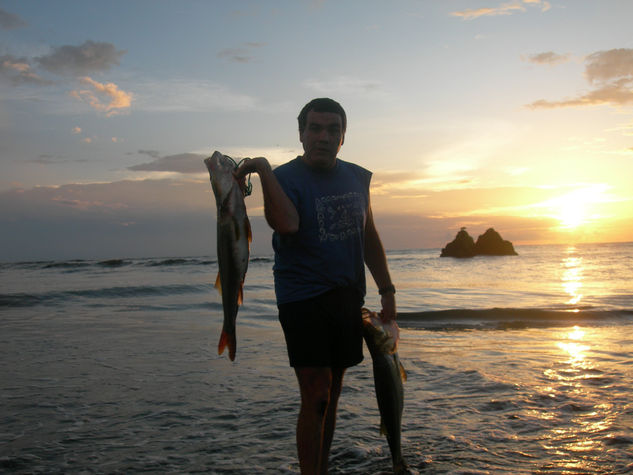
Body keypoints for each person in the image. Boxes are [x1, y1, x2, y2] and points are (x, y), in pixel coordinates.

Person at [235, 98, 396, 475]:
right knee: (317, 394)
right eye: (315, 128)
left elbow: (368, 234)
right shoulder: (284, 178)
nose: (323, 137)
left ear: (343, 137)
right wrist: (261, 169)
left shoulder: (358, 177)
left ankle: (320, 468)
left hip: (347, 295)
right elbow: (286, 224)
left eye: (333, 130)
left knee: (333, 392)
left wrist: (387, 290)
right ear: (301, 133)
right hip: (302, 297)